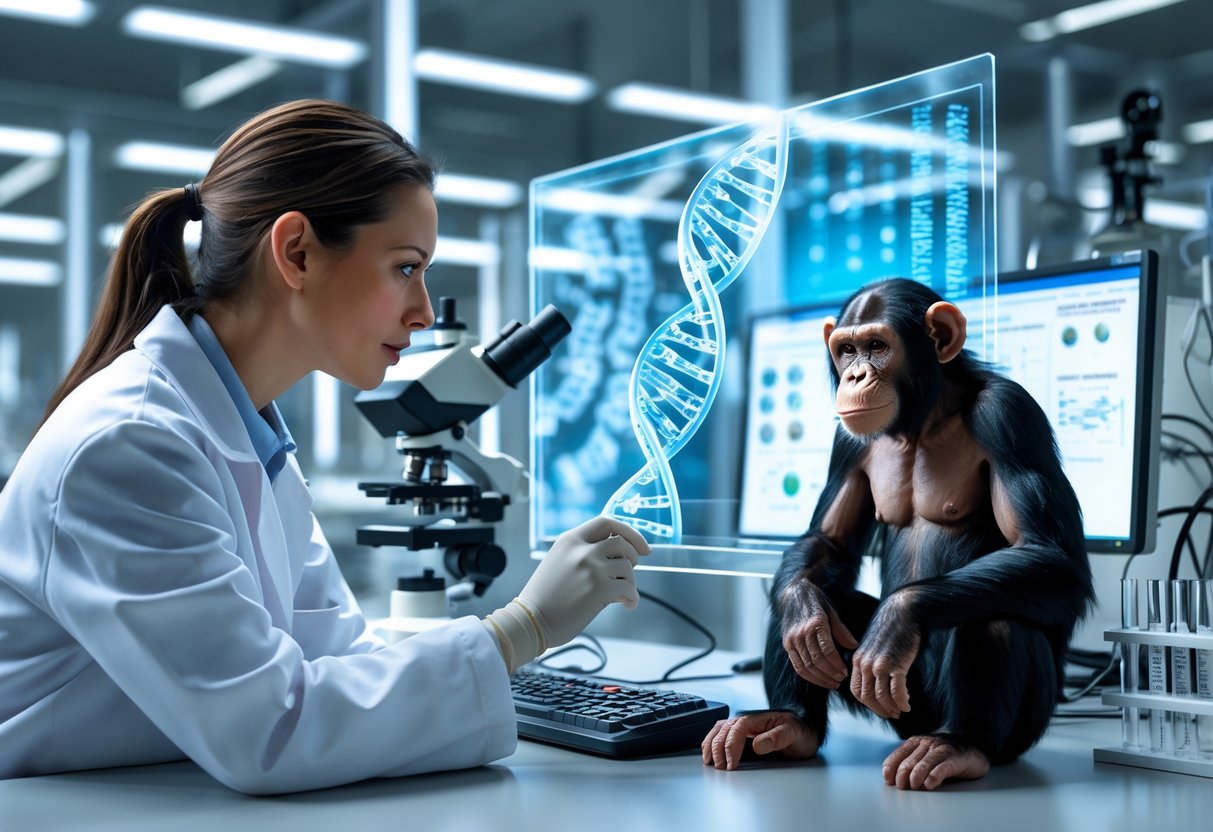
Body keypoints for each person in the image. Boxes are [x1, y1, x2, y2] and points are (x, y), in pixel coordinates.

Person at [0, 99, 649, 795]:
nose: (424, 311)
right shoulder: (129, 444)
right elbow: (271, 731)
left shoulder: (252, 444)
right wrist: (525, 626)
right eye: (406, 268)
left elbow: (340, 665)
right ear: (297, 253)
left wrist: (501, 646)